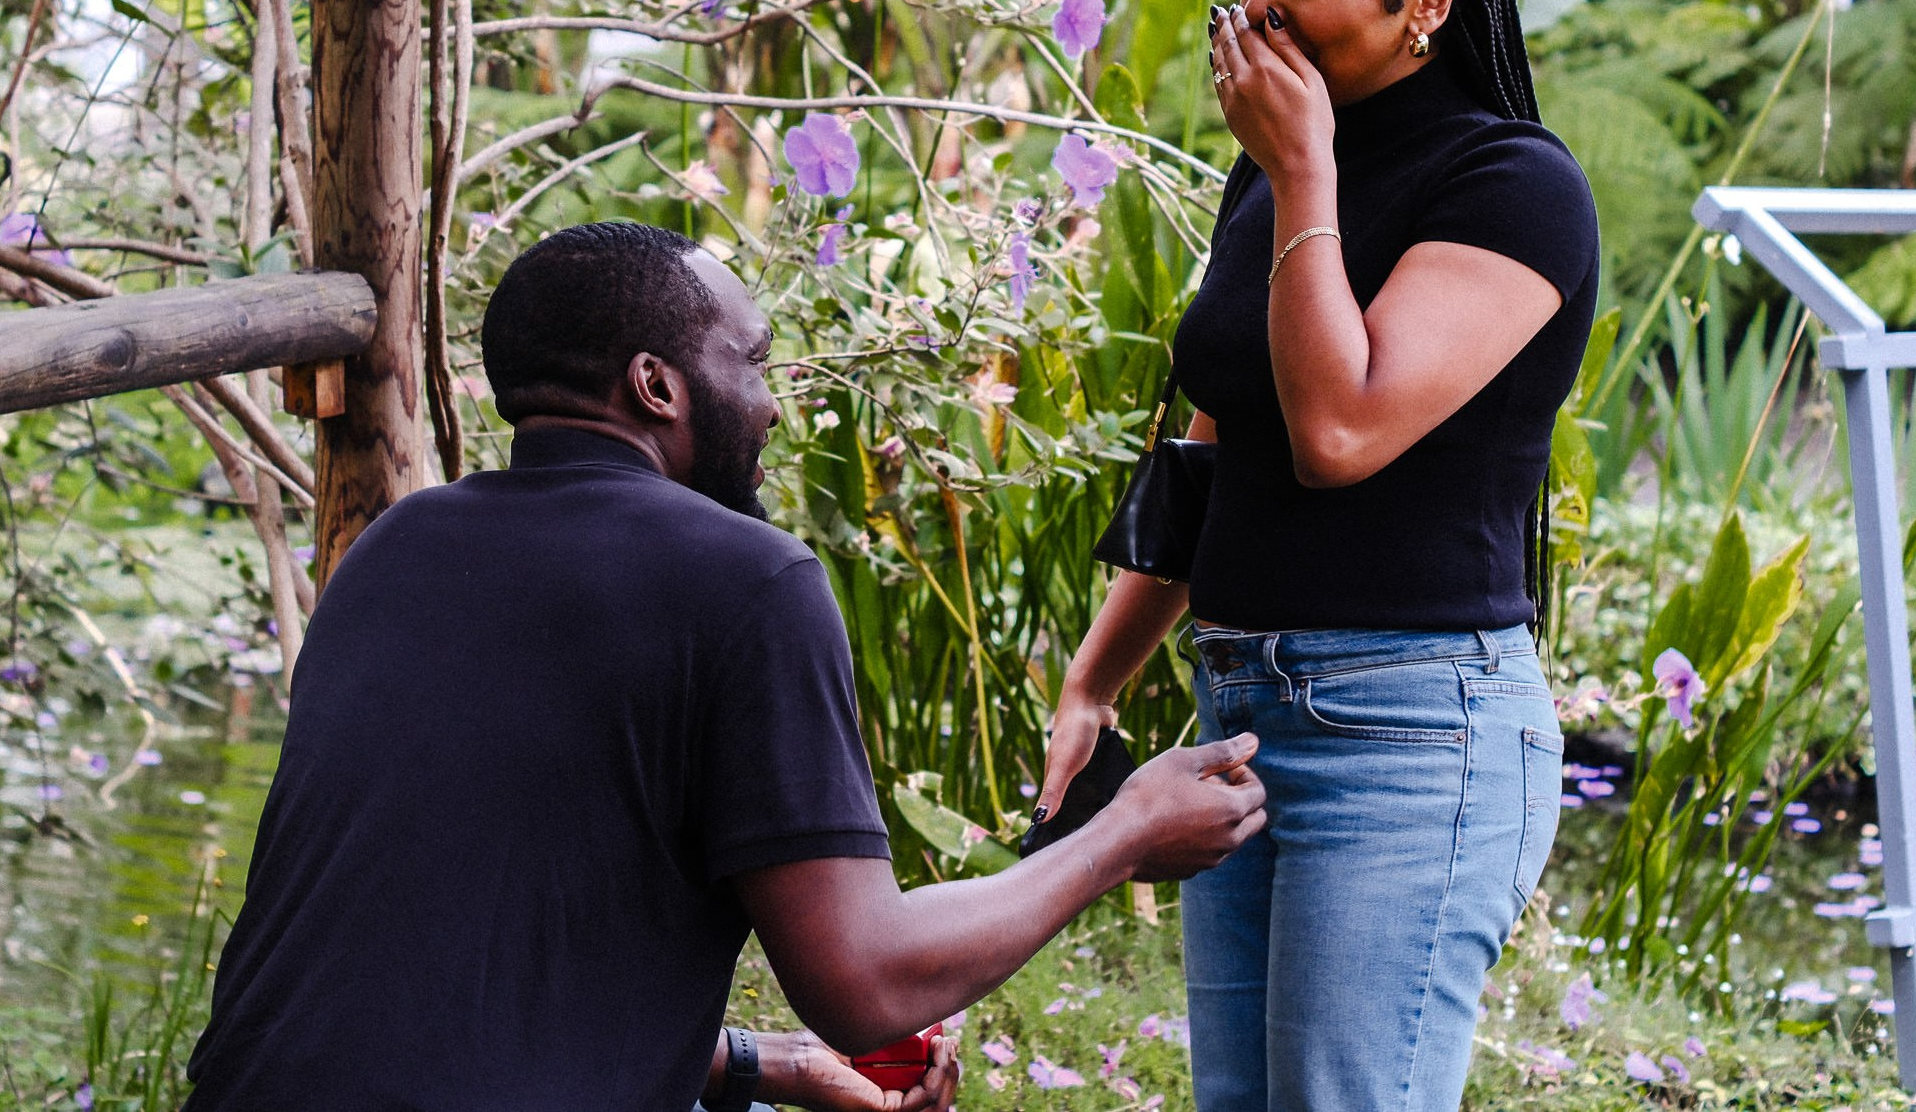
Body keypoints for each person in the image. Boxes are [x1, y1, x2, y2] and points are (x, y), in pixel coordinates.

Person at [183, 221, 1269, 1112]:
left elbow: (443, 972)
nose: (773, 402)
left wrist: (761, 1064)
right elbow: (866, 981)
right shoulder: (747, 580)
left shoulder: (394, 549)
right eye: (751, 363)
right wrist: (1119, 836)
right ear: (657, 387)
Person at [1037, 0, 1599, 1112]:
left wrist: (1302, 174)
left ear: (1426, 0)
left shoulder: (1509, 185)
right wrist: (1096, 679)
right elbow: (1218, 440)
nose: (1257, 5)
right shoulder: (1276, 171)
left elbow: (1338, 433)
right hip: (1241, 712)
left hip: (1408, 731)